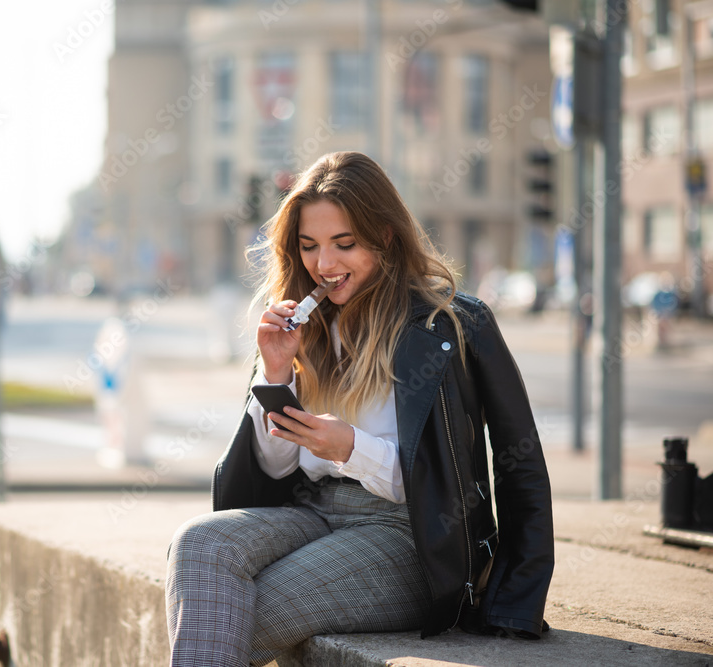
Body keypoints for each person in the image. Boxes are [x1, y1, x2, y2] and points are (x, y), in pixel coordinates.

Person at [164, 152, 554, 666]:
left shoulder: (452, 324)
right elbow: (275, 469)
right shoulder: (303, 327)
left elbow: (518, 462)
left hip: (408, 537)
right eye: (309, 246)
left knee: (224, 611)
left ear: (385, 236)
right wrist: (276, 372)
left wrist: (352, 449)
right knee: (198, 544)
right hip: (310, 512)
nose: (324, 265)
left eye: (343, 244)